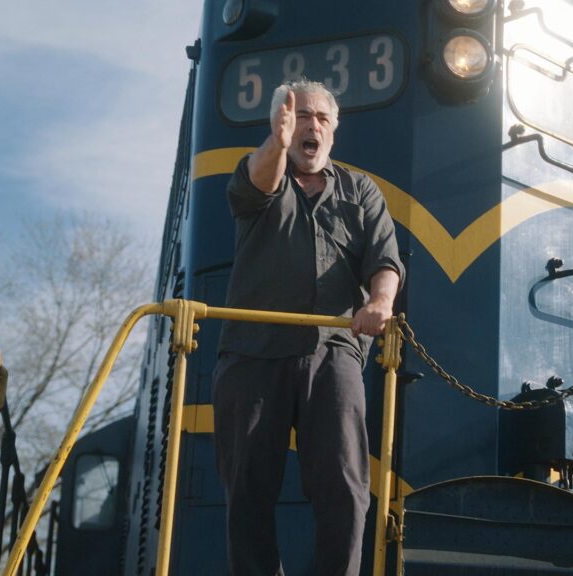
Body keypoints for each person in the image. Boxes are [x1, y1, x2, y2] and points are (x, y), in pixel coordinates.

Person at [212, 79, 403, 576]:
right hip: (252, 352)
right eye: (299, 117)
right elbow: (260, 179)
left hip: (333, 351)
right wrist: (274, 144)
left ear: (334, 131)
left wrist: (381, 300)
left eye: (321, 118)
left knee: (346, 489)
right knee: (247, 491)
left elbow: (384, 258)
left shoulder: (361, 191)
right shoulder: (259, 174)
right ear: (281, 126)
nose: (310, 125)